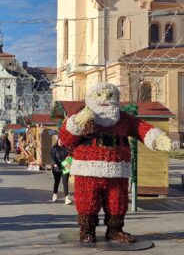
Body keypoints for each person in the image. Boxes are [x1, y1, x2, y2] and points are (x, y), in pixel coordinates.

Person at [59, 82, 172, 243]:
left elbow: (140, 127)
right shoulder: (80, 116)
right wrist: (78, 122)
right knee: (87, 202)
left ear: (116, 99)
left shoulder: (123, 119)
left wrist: (156, 138)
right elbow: (66, 139)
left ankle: (115, 231)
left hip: (117, 171)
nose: (105, 99)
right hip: (87, 170)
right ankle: (87, 231)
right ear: (90, 98)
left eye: (110, 95)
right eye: (99, 95)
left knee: (117, 202)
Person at [50, 139, 71, 205]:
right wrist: (54, 163)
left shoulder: (66, 148)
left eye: (62, 140)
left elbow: (69, 155)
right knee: (57, 181)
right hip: (57, 168)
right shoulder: (54, 148)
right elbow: (52, 157)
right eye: (60, 140)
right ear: (58, 140)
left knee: (65, 182)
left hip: (65, 166)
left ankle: (67, 198)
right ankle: (55, 194)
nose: (61, 141)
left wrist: (69, 157)